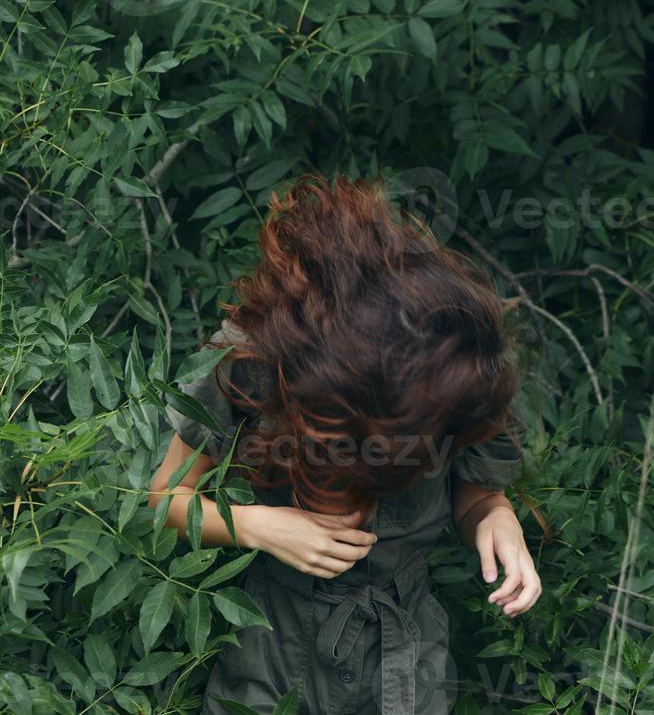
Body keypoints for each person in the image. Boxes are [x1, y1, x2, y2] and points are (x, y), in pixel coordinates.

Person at [148, 171, 542, 714]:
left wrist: (496, 517)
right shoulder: (251, 359)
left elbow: (477, 496)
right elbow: (166, 499)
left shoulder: (454, 373)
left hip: (406, 659)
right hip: (269, 644)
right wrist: (261, 527)